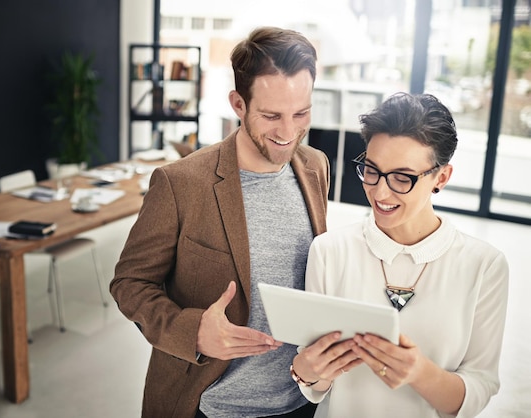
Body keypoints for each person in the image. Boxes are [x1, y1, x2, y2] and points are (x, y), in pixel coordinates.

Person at [110, 27, 332, 418]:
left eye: (301, 113)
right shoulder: (180, 184)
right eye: (270, 115)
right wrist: (192, 331)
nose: (288, 132)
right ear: (238, 104)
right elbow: (130, 284)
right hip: (210, 405)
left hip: (301, 401)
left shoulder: (315, 166)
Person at [289, 92, 509, 417]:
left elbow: (478, 390)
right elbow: (317, 388)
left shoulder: (484, 266)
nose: (380, 192)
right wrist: (306, 371)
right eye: (372, 170)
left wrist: (420, 373)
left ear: (442, 178)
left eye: (402, 178)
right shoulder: (329, 251)